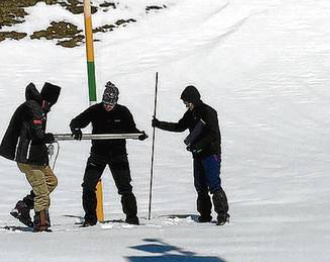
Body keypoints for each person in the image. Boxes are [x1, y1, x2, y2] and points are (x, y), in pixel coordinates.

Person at [69, 82, 147, 227]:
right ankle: (90, 218)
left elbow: (131, 129)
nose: (107, 106)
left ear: (116, 101)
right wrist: (76, 129)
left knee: (125, 187)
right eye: (105, 103)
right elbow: (76, 122)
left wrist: (139, 134)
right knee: (88, 185)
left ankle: (132, 217)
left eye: (110, 104)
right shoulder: (95, 110)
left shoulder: (123, 112)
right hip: (98, 153)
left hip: (118, 154)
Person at [152, 85, 230, 225]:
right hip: (198, 155)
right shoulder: (190, 114)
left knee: (213, 184)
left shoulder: (208, 112)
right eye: (184, 103)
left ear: (193, 100)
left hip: (211, 154)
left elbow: (213, 134)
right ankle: (205, 215)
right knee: (200, 186)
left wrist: (198, 145)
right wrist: (159, 124)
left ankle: (223, 214)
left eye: (186, 102)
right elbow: (179, 126)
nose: (185, 105)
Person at [0, 82, 61, 232]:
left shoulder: (36, 107)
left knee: (51, 182)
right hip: (27, 159)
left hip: (36, 158)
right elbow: (36, 133)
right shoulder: (33, 108)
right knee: (42, 192)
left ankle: (24, 206)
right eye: (49, 103)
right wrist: (46, 137)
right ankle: (41, 224)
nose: (50, 107)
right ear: (44, 99)